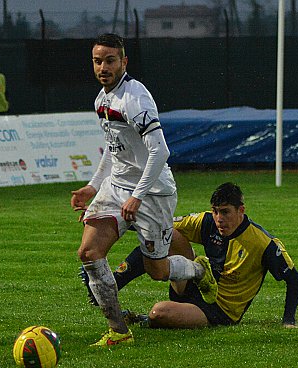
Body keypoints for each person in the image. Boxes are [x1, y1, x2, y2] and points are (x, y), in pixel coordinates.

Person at [71, 33, 217, 347]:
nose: (103, 67)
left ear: (124, 62)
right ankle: (119, 331)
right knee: (89, 252)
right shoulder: (101, 99)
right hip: (116, 188)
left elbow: (160, 152)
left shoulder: (135, 97)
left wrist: (137, 196)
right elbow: (114, 149)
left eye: (110, 60)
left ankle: (197, 270)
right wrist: (93, 186)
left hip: (153, 194)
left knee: (158, 270)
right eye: (98, 61)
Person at [82, 182, 298, 329]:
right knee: (168, 235)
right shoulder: (206, 221)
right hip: (194, 286)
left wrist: (288, 321)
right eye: (215, 211)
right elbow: (160, 227)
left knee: (159, 312)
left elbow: (294, 279)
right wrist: (105, 220)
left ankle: (145, 319)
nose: (219, 218)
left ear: (241, 210)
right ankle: (116, 281)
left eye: (225, 212)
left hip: (219, 310)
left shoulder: (262, 242)